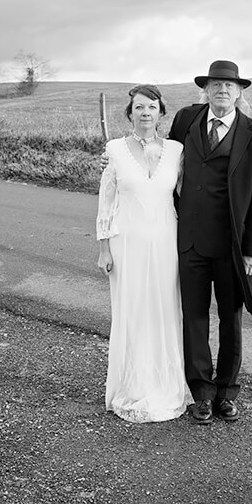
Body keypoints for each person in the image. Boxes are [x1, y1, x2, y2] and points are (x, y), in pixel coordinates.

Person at [168, 60, 252, 424]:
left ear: (239, 92)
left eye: (229, 86)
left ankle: (226, 392)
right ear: (206, 90)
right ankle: (201, 393)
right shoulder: (185, 121)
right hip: (191, 241)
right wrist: (116, 158)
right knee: (193, 318)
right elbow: (163, 161)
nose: (222, 91)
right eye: (215, 85)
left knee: (231, 320)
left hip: (234, 247)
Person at [96, 84, 192, 423]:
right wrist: (104, 247)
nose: (146, 113)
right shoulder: (114, 150)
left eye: (152, 107)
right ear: (130, 113)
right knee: (133, 311)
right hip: (127, 242)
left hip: (167, 240)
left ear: (161, 112)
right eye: (139, 107)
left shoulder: (177, 150)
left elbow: (190, 192)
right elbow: (106, 200)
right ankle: (133, 387)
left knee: (165, 310)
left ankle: (166, 385)